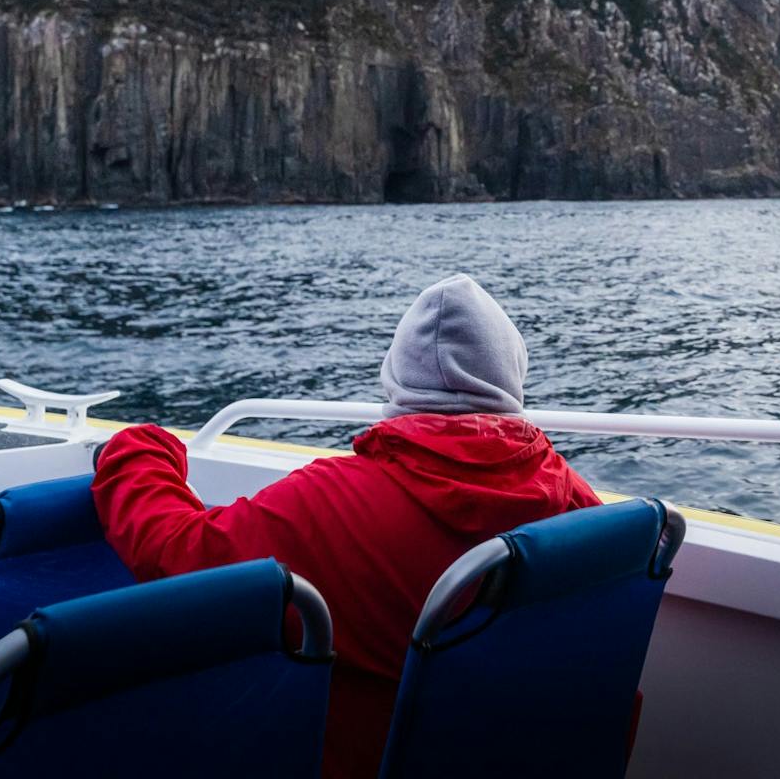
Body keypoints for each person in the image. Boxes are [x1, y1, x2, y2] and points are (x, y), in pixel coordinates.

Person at [92, 274, 600, 779]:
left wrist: (140, 448)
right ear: (512, 374)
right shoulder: (580, 505)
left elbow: (177, 553)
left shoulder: (330, 501)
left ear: (397, 380)